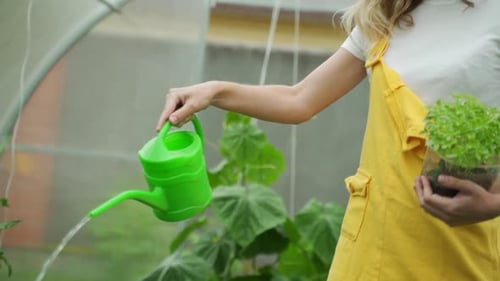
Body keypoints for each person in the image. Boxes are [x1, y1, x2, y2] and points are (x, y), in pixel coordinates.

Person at [156, 0, 500, 280]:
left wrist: (493, 205)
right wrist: (216, 91)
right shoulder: (387, 14)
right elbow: (300, 99)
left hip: (463, 247)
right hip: (374, 247)